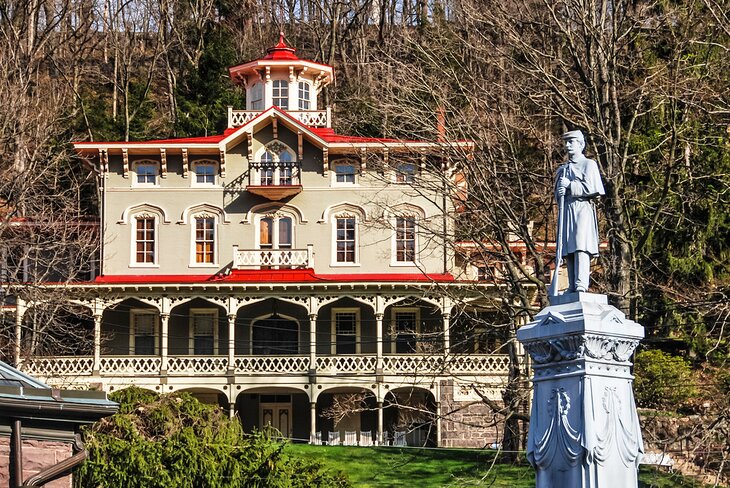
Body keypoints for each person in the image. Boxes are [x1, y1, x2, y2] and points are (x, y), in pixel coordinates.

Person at [555, 130, 605, 293]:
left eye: (572, 142)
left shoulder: (589, 164)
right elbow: (558, 194)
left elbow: (593, 188)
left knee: (580, 245)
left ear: (581, 144)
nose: (568, 145)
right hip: (567, 209)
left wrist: (570, 185)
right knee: (568, 248)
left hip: (582, 208)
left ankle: (581, 283)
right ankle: (571, 285)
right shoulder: (563, 170)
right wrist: (560, 190)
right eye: (566, 142)